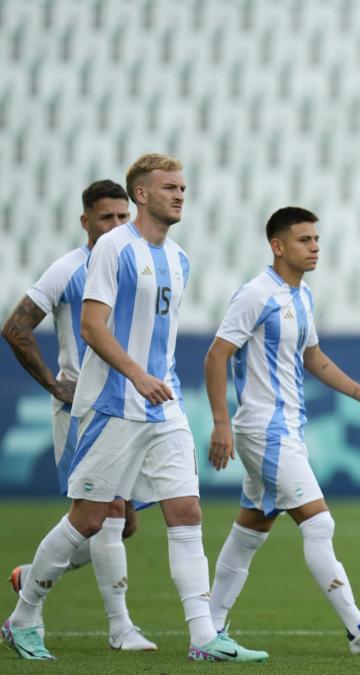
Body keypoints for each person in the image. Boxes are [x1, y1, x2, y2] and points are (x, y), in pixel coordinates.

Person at [1, 154, 266, 662]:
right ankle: (24, 616)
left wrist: (156, 380)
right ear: (141, 194)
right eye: (169, 186)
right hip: (110, 406)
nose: (180, 194)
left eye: (183, 187)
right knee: (89, 519)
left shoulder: (180, 258)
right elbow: (91, 327)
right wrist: (137, 375)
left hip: (162, 407)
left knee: (186, 510)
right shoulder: (112, 250)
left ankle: (204, 637)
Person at [204, 207, 360, 655]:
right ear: (278, 246)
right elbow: (216, 356)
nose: (314, 247)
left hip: (285, 428)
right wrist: (222, 422)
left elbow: (313, 358)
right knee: (319, 522)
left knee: (251, 530)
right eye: (304, 240)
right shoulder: (256, 295)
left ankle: (208, 633)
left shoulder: (302, 297)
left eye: (316, 239)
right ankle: (358, 628)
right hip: (264, 428)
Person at [2, 180, 155, 652]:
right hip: (85, 410)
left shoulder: (137, 261)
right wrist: (53, 382)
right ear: (85, 221)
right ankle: (118, 627)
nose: (115, 225)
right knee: (105, 515)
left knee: (122, 523)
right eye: (105, 218)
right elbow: (16, 326)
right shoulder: (70, 269)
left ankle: (34, 575)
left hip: (128, 406)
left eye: (122, 217)